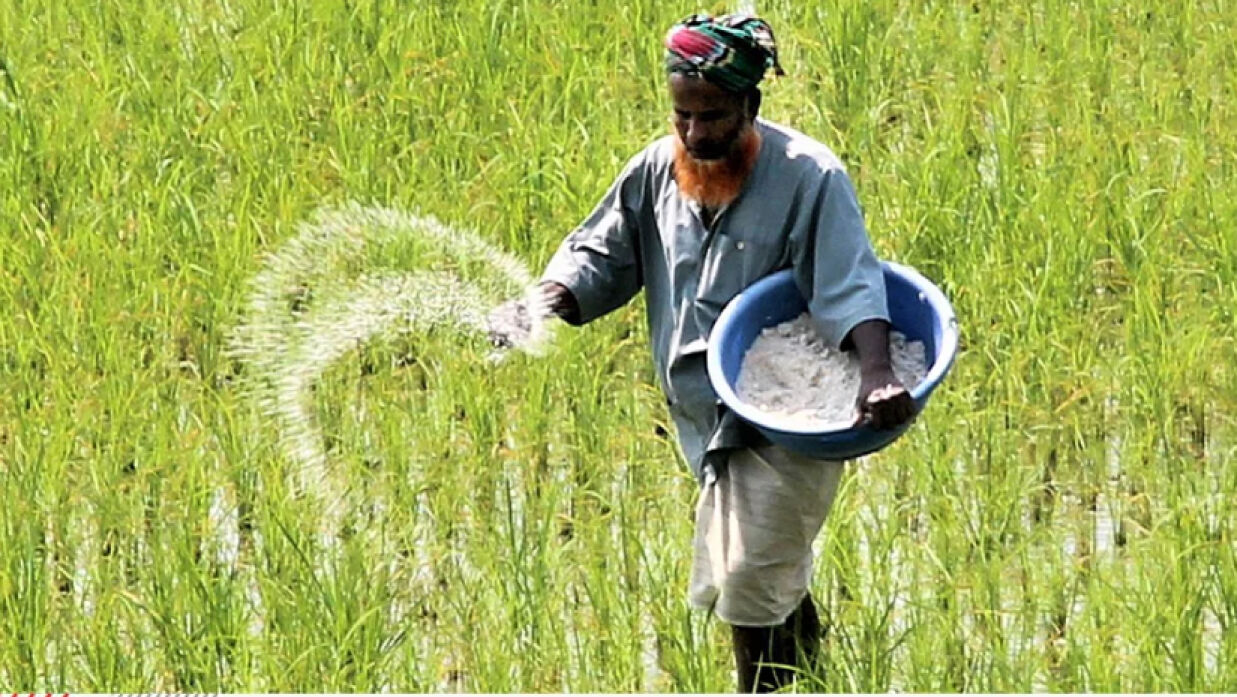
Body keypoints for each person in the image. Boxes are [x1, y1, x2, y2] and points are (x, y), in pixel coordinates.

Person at [491, 12, 916, 693]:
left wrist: (875, 375)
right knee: (757, 568)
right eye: (682, 116)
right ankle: (810, 659)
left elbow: (850, 281)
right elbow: (600, 254)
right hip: (702, 415)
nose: (694, 133)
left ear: (751, 103)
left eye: (712, 116)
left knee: (745, 576)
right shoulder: (658, 170)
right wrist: (536, 304)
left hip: (792, 421)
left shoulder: (810, 177)